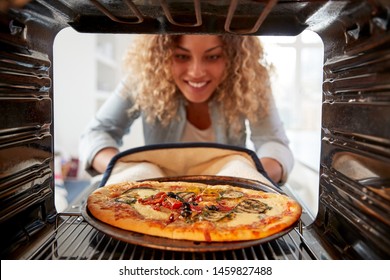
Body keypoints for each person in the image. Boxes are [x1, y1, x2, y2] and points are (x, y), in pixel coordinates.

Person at [79, 34, 294, 184]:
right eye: (181, 56)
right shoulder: (144, 78)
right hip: (158, 202)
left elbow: (273, 142)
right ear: (163, 56)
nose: (196, 72)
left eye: (213, 56)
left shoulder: (249, 80)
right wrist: (127, 170)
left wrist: (246, 176)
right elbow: (97, 133)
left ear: (233, 57)